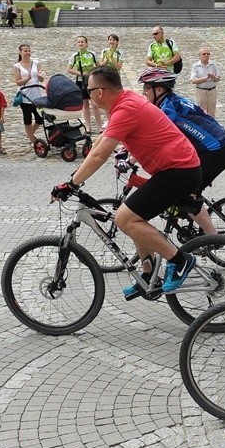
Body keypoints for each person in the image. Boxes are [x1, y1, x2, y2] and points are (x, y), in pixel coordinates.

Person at [50, 66, 203, 298]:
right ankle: (148, 273)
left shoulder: (126, 109)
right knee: (133, 217)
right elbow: (101, 143)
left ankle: (181, 260)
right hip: (175, 168)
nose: (87, 95)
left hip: (179, 171)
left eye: (88, 90)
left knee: (125, 218)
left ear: (100, 92)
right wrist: (75, 175)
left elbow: (100, 155)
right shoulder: (125, 102)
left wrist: (71, 185)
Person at [139, 68, 225, 236]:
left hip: (215, 153)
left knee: (187, 195)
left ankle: (213, 238)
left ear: (159, 89)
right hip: (209, 151)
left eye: (146, 87)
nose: (144, 92)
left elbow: (155, 133)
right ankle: (185, 219)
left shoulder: (169, 107)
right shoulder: (172, 101)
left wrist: (132, 158)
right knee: (181, 188)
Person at [66, 35, 102, 133]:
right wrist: (80, 73)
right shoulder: (75, 56)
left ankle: (100, 127)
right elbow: (69, 69)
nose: (81, 44)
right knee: (85, 104)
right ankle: (88, 127)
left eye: (82, 42)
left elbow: (98, 66)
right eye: (79, 42)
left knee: (95, 104)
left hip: (92, 81)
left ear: (86, 44)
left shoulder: (92, 54)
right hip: (81, 81)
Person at [13, 43, 46, 147]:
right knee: (27, 119)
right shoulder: (17, 66)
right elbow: (18, 82)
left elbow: (41, 78)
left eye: (29, 51)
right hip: (25, 96)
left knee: (39, 118)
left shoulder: (36, 63)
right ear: (20, 52)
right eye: (25, 51)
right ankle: (32, 140)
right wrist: (28, 77)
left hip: (37, 95)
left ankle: (30, 134)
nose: (27, 53)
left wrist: (41, 76)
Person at [189, 46, 220, 116]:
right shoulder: (196, 66)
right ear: (199, 56)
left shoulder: (213, 64)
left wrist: (213, 77)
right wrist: (205, 78)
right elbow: (193, 80)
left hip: (212, 91)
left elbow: (218, 78)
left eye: (208, 54)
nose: (206, 55)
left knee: (212, 112)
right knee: (201, 112)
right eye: (204, 54)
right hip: (201, 91)